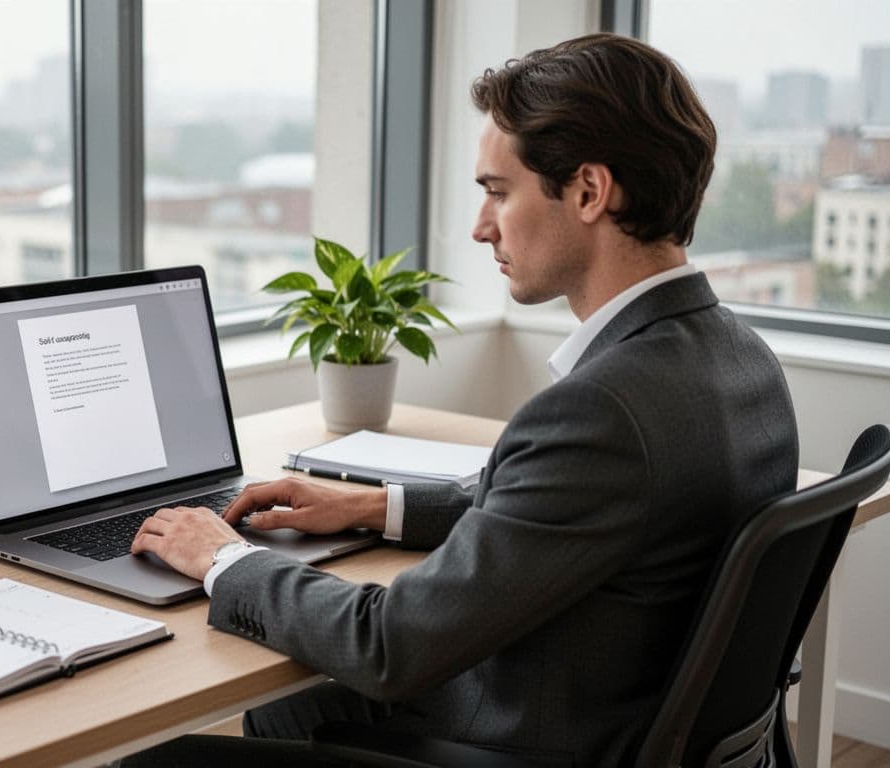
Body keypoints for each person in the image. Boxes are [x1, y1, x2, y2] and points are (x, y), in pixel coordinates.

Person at [125, 32, 798, 765]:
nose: (481, 228)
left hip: (536, 737)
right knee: (294, 710)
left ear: (588, 191)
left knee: (159, 759)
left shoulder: (602, 410)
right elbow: (563, 514)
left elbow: (389, 646)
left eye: (498, 193)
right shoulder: (742, 361)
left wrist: (225, 560)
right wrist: (372, 506)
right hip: (617, 717)